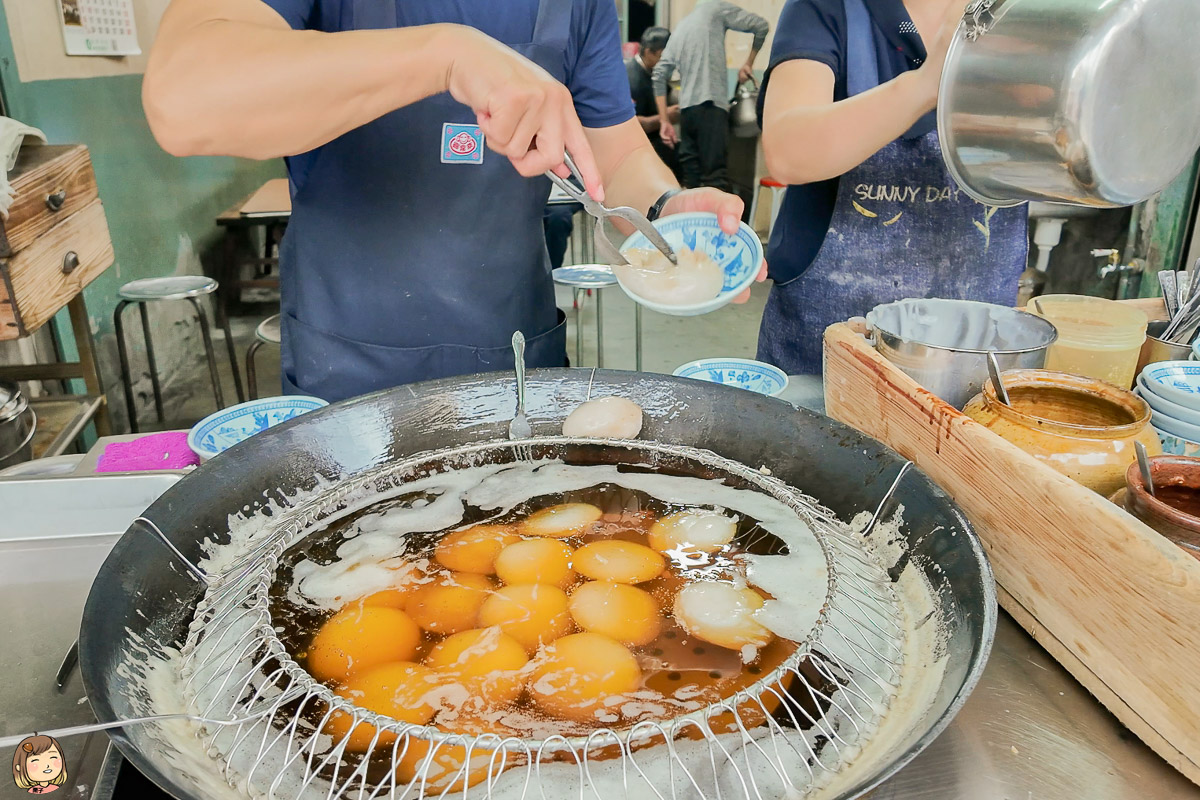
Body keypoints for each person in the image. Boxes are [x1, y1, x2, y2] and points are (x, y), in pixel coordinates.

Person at [144, 0, 762, 402]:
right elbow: (185, 100)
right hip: (351, 369)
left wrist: (662, 211)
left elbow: (614, 153)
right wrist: (445, 53)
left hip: (515, 358)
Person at [755, 0, 1028, 374]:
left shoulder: (1025, 13)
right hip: (826, 351)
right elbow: (789, 152)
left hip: (975, 358)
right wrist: (925, 85)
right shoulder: (827, 9)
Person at [652, 2, 770, 192]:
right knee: (715, 180)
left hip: (687, 113)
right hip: (711, 107)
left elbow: (659, 74)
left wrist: (665, 122)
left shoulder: (681, 27)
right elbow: (761, 26)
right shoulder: (715, 9)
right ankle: (717, 221)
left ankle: (691, 221)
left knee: (690, 181)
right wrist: (748, 63)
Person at [626, 26, 679, 176]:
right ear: (649, 52)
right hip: (637, 153)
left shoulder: (657, 75)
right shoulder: (631, 79)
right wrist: (664, 117)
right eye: (663, 56)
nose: (668, 63)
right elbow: (631, 124)